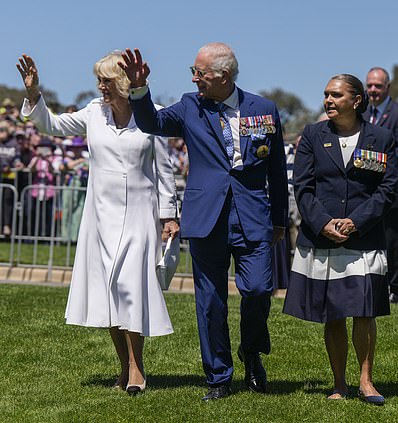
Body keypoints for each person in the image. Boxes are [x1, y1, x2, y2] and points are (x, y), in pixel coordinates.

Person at [119, 43, 288, 401]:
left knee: (258, 290)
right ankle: (218, 377)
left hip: (253, 217)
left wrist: (279, 220)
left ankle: (252, 351)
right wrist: (139, 90)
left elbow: (275, 170)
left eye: (201, 73)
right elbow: (152, 122)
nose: (195, 78)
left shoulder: (264, 109)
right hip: (207, 217)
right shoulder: (190, 105)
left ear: (223, 76)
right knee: (210, 301)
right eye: (193, 72)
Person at [17, 52, 179, 395]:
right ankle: (124, 368)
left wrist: (169, 215)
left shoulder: (153, 116)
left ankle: (137, 369)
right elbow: (52, 125)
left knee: (131, 288)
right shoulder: (93, 112)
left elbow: (165, 171)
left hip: (140, 214)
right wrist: (33, 94)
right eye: (99, 80)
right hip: (100, 215)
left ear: (123, 83)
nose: (100, 86)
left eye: (106, 80)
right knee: (110, 292)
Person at [283, 74, 397, 404]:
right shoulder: (313, 135)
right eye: (326, 95)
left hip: (363, 238)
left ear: (357, 100)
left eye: (336, 95)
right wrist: (323, 223)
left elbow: (387, 189)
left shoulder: (381, 137)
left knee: (364, 311)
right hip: (323, 238)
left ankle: (366, 381)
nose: (328, 100)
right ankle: (338, 383)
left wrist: (355, 222)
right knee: (332, 312)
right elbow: (302, 186)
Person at [364, 67, 398, 303]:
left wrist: (375, 157)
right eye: (370, 85)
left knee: (393, 242)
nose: (373, 90)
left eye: (378, 86)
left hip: (393, 190)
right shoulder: (361, 112)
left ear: (388, 87)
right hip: (365, 191)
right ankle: (370, 285)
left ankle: (396, 289)